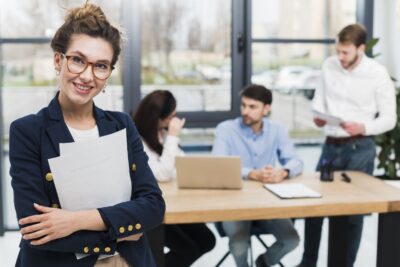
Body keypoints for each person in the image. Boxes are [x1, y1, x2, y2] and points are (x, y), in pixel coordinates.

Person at [9, 3, 165, 267]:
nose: (87, 76)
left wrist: (74, 220)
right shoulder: (28, 131)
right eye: (78, 60)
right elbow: (35, 229)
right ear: (58, 60)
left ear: (109, 73)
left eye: (101, 66)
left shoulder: (122, 126)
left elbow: (153, 207)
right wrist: (124, 227)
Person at [297, 24, 397, 267]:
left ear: (361, 49)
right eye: (338, 51)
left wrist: (364, 127)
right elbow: (319, 101)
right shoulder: (329, 66)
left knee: (352, 214)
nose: (340, 57)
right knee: (315, 206)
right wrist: (319, 116)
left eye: (346, 52)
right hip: (331, 144)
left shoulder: (377, 73)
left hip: (359, 147)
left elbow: (389, 119)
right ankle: (308, 262)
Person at [212, 84, 301, 267]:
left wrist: (282, 172)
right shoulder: (226, 129)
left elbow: (296, 161)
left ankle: (263, 263)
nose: (246, 111)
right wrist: (251, 174)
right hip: (234, 202)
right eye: (243, 105)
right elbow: (218, 165)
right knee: (238, 243)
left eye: (252, 107)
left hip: (266, 201)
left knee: (291, 239)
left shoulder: (277, 130)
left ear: (266, 109)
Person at [133, 90, 216, 267]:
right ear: (158, 118)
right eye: (172, 116)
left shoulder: (160, 135)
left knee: (207, 240)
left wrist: (169, 138)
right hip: (151, 209)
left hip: (171, 203)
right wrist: (172, 136)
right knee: (187, 249)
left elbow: (180, 166)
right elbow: (162, 175)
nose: (175, 120)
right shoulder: (137, 140)